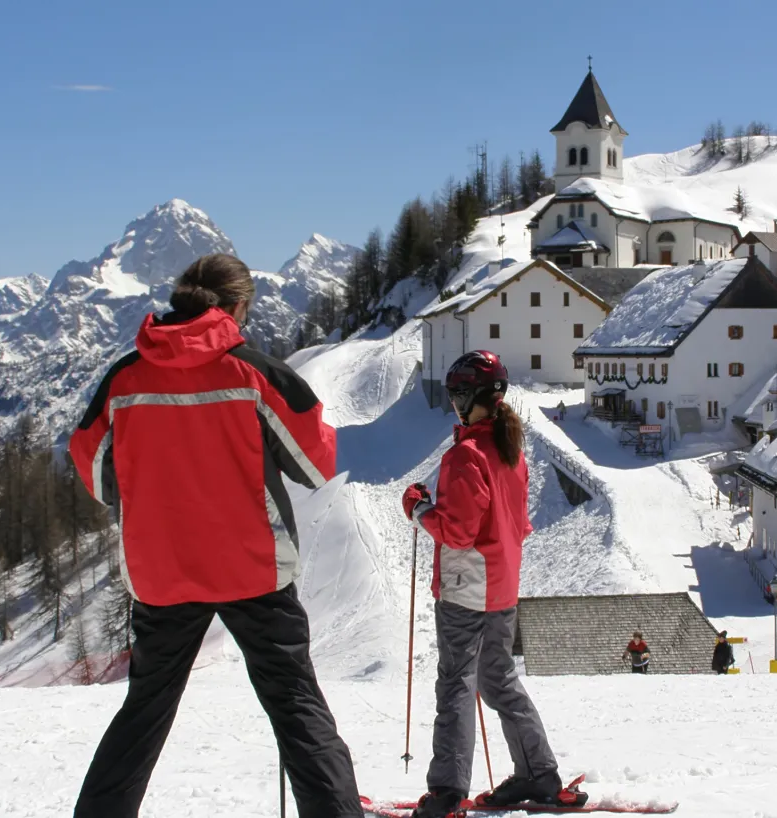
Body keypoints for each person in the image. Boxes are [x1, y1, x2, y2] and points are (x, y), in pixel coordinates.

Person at [68, 254, 362, 818]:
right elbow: (315, 461)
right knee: (296, 705)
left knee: (145, 711)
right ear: (236, 306)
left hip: (162, 571)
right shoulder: (254, 372)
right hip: (251, 567)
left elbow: (93, 466)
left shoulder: (125, 378)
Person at [400, 350, 575, 817]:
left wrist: (417, 507)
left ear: (477, 397)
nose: (454, 401)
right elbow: (518, 524)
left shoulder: (465, 456)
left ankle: (446, 793)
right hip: (501, 587)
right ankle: (538, 774)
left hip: (465, 587)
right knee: (498, 680)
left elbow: (456, 531)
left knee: (457, 683)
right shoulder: (510, 452)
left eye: (458, 393)